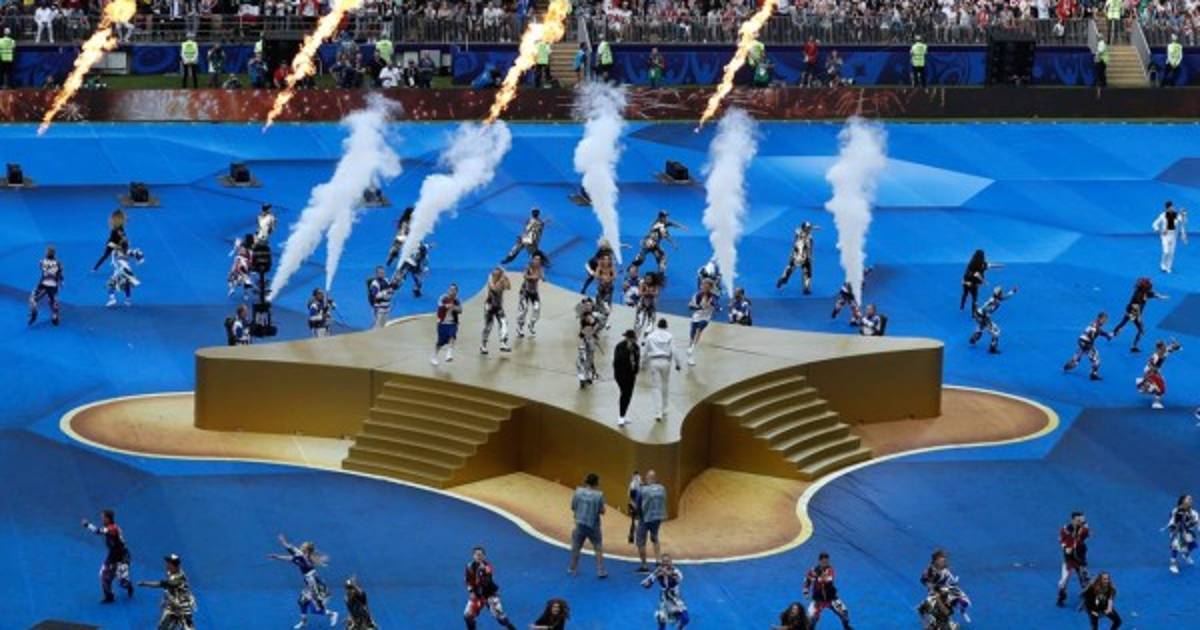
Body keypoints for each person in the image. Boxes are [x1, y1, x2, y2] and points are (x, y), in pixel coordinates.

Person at [268, 534, 339, 629]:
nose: (300, 547)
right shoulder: (300, 557)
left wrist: (283, 542)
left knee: (316, 609)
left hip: (314, 584)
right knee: (302, 601)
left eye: (303, 547)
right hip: (310, 583)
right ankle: (303, 622)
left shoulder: (301, 556)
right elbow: (289, 558)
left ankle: (332, 614)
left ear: (306, 550)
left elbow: (291, 549)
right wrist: (277, 557)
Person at [82, 509, 134, 603]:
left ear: (108, 518)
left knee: (123, 582)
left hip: (122, 557)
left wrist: (87, 525)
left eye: (103, 517)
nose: (102, 519)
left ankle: (129, 586)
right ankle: (109, 596)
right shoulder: (109, 528)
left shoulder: (113, 528)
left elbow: (98, 531)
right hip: (112, 557)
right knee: (103, 575)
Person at [463, 546, 518, 630]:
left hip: (490, 594)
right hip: (477, 595)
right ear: (473, 556)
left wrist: (481, 572)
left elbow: (486, 581)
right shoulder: (469, 567)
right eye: (477, 555)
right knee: (467, 616)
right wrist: (471, 592)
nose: (479, 557)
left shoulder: (487, 567)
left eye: (481, 555)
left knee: (501, 619)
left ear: (484, 556)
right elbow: (468, 581)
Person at [138, 554, 197, 630]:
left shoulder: (176, 580)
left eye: (169, 563)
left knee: (187, 626)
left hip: (183, 606)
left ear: (173, 565)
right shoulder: (173, 571)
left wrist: (145, 583)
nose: (166, 565)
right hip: (172, 604)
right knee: (162, 626)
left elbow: (159, 584)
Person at [568, 473, 608, 578]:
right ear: (596, 483)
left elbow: (573, 506)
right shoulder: (599, 495)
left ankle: (572, 568)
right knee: (598, 547)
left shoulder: (578, 492)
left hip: (580, 523)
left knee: (576, 547)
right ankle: (600, 570)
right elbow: (602, 511)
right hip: (593, 525)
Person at [1112, 277, 1167, 352]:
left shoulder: (1146, 292)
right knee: (1140, 329)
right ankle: (1133, 345)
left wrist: (1162, 297)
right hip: (1132, 312)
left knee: (1123, 323)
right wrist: (1139, 317)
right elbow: (1136, 307)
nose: (1151, 286)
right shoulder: (1137, 295)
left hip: (1131, 312)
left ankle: (1113, 334)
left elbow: (1154, 294)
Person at [643, 319, 682, 422]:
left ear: (658, 325)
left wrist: (643, 363)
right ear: (666, 326)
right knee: (665, 385)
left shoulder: (650, 336)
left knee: (656, 387)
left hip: (654, 361)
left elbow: (646, 350)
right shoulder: (669, 336)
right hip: (666, 361)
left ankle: (658, 413)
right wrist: (678, 364)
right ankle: (665, 408)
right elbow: (674, 350)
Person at [803, 552, 853, 629]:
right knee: (810, 619)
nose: (825, 563)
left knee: (844, 614)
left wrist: (817, 578)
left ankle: (846, 626)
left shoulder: (830, 570)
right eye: (823, 561)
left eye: (826, 561)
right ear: (819, 561)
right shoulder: (813, 571)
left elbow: (829, 579)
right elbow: (807, 580)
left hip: (831, 598)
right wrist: (806, 591)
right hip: (818, 600)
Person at [920, 550, 971, 624]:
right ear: (936, 560)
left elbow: (949, 577)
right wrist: (934, 589)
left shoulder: (944, 567)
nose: (944, 561)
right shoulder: (930, 571)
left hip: (946, 588)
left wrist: (953, 582)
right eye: (942, 559)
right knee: (943, 610)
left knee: (963, 601)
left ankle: (961, 610)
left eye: (944, 559)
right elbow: (924, 581)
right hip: (936, 591)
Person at [640, 554, 689, 629]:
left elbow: (678, 579)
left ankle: (680, 628)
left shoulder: (676, 571)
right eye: (663, 561)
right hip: (664, 598)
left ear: (671, 562)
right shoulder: (658, 571)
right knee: (661, 619)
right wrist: (647, 583)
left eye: (667, 561)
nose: (665, 563)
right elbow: (648, 583)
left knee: (685, 618)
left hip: (675, 597)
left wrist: (666, 573)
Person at [969, 285, 1018, 354]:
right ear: (998, 294)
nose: (1002, 293)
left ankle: (974, 338)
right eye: (1001, 293)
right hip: (982, 316)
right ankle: (992, 348)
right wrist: (988, 321)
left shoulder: (995, 298)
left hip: (978, 314)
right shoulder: (995, 302)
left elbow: (1005, 297)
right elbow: (985, 310)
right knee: (996, 332)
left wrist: (1012, 291)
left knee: (982, 326)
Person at [1064, 312, 1113, 380]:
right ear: (1099, 318)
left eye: (1106, 320)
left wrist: (1107, 335)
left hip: (1081, 341)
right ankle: (1093, 375)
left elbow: (1099, 331)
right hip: (1086, 343)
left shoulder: (1095, 323)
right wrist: (1091, 346)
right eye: (1104, 320)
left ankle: (1068, 365)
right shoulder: (1095, 326)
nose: (1105, 322)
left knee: (1077, 359)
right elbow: (1093, 334)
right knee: (1096, 360)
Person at [636, 470, 668, 572]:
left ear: (648, 478)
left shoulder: (642, 490)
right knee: (655, 537)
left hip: (645, 518)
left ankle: (644, 565)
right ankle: (658, 560)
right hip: (657, 517)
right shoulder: (662, 488)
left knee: (641, 542)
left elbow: (637, 504)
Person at [1136, 339, 1182, 409]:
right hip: (1151, 372)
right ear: (1160, 347)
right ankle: (1155, 403)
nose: (1165, 346)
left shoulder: (1164, 351)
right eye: (1164, 345)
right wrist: (1155, 374)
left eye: (1165, 345)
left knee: (1158, 386)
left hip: (1154, 371)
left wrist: (1177, 345)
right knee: (1161, 388)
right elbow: (1150, 366)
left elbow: (1174, 348)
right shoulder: (1157, 356)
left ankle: (1144, 385)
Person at [1057, 511, 1091, 607]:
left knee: (1084, 579)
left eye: (1082, 520)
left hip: (1080, 558)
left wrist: (1083, 527)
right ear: (1072, 520)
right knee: (1063, 581)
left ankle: (1087, 598)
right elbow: (1061, 540)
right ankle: (1061, 597)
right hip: (1068, 560)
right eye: (1078, 520)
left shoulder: (1084, 529)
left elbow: (1086, 534)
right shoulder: (1065, 529)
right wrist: (1066, 547)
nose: (1080, 521)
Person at [686, 278, 719, 366]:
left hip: (706, 317)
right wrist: (699, 307)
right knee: (692, 336)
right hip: (696, 317)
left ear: (710, 288)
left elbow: (716, 304)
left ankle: (692, 348)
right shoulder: (697, 295)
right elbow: (690, 306)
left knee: (699, 329)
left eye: (706, 287)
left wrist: (716, 307)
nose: (704, 287)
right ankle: (690, 355)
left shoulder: (713, 297)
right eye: (703, 286)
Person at [777, 222, 816, 294]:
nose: (809, 230)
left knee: (790, 269)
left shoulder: (798, 232)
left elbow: (800, 230)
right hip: (802, 257)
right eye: (808, 229)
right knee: (807, 272)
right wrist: (810, 257)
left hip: (795, 256)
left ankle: (783, 279)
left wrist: (813, 227)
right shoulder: (808, 238)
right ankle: (806, 287)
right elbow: (809, 249)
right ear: (805, 229)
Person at [29, 245, 63, 326]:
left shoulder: (41, 262)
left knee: (32, 299)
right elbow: (60, 275)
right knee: (52, 301)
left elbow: (43, 271)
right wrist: (61, 283)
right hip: (54, 286)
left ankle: (34, 312)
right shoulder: (59, 263)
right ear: (54, 253)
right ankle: (55, 316)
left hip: (43, 284)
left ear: (47, 253)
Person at [480, 268, 512, 355]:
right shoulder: (490, 280)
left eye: (498, 274)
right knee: (488, 326)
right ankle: (483, 345)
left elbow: (509, 287)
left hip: (498, 307)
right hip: (489, 306)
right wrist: (501, 280)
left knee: (504, 323)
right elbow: (494, 289)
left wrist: (506, 278)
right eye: (495, 274)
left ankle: (503, 343)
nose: (496, 275)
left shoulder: (502, 280)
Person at [614, 329, 641, 427]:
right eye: (627, 338)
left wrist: (636, 370)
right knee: (625, 394)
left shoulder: (636, 347)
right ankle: (621, 417)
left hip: (631, 375)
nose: (628, 339)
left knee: (627, 395)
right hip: (621, 374)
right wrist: (627, 351)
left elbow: (637, 360)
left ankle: (623, 414)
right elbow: (617, 360)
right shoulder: (620, 346)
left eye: (630, 338)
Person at [1152, 201, 1188, 273]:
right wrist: (1161, 231)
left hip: (1173, 236)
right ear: (1167, 208)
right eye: (1171, 207)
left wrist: (1183, 214)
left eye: (1173, 207)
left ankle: (1168, 267)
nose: (1173, 208)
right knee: (1166, 251)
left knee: (1171, 252)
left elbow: (1184, 222)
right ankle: (1162, 265)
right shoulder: (1162, 216)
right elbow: (1154, 224)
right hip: (1165, 236)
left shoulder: (1176, 215)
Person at [1167, 494, 1199, 574]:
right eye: (1189, 499)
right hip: (1177, 531)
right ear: (1183, 500)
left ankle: (1186, 555)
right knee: (1175, 546)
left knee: (1192, 545)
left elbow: (1197, 520)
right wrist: (1174, 524)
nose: (1191, 500)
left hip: (1187, 532)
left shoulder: (1193, 512)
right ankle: (1173, 563)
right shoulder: (1175, 511)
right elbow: (1172, 521)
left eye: (1191, 499)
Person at [106, 242, 144, 307]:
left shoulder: (120, 251)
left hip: (120, 271)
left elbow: (137, 253)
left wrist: (140, 259)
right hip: (126, 271)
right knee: (126, 284)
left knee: (111, 284)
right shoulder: (126, 251)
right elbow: (138, 253)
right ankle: (127, 300)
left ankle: (113, 299)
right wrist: (140, 259)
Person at [432, 283, 463, 365]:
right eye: (451, 289)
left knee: (452, 336)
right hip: (442, 323)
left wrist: (454, 307)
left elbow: (460, 310)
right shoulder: (443, 297)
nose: (452, 291)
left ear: (456, 292)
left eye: (454, 290)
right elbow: (439, 306)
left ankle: (449, 353)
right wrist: (446, 306)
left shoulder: (457, 301)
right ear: (448, 290)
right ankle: (434, 356)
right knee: (440, 342)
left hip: (452, 323)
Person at [516, 253, 545, 339]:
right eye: (535, 259)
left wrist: (543, 277)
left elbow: (543, 277)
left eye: (539, 260)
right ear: (532, 260)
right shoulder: (528, 267)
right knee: (524, 309)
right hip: (525, 291)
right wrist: (533, 277)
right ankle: (520, 328)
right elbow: (524, 276)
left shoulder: (540, 268)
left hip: (534, 292)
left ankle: (531, 324)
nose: (537, 261)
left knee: (537, 308)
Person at [576, 297, 601, 387]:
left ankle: (590, 375)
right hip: (586, 339)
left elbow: (596, 325)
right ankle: (586, 376)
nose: (588, 306)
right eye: (586, 305)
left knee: (589, 358)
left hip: (589, 339)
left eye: (589, 305)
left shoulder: (592, 316)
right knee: (584, 358)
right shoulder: (585, 316)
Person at [635, 272, 664, 338]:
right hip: (642, 306)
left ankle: (646, 337)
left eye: (649, 279)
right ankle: (636, 337)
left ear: (652, 279)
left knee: (650, 323)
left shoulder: (655, 285)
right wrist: (648, 292)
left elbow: (656, 293)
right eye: (646, 278)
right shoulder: (642, 284)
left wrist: (648, 292)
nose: (647, 280)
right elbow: (639, 293)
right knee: (639, 323)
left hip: (651, 306)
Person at [627, 470, 643, 543]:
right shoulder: (639, 482)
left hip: (633, 504)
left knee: (634, 521)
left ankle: (631, 537)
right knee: (637, 521)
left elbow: (629, 495)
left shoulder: (632, 483)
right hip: (637, 505)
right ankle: (636, 537)